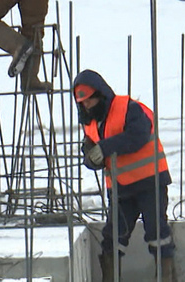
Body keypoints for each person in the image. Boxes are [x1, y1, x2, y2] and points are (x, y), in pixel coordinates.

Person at [72, 69, 175, 281]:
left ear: (100, 94)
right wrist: (92, 159)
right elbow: (91, 150)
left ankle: (166, 277)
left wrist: (106, 148)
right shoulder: (89, 122)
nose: (86, 106)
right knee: (113, 238)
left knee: (157, 233)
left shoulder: (128, 108)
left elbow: (139, 134)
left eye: (89, 101)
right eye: (82, 103)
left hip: (150, 182)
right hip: (121, 188)